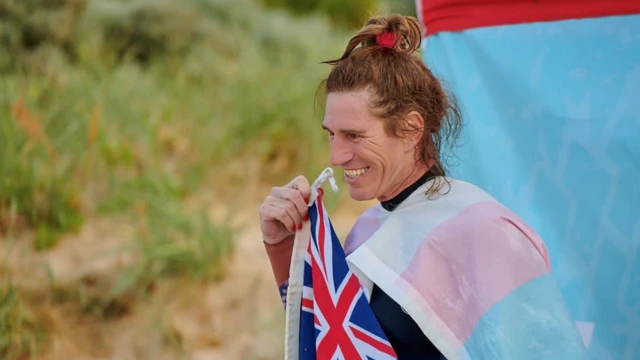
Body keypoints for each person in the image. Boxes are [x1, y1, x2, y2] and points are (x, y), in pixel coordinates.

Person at [259, 14, 586, 359]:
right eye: (331, 134)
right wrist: (282, 244)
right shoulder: (368, 231)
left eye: (354, 135)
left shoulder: (488, 233)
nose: (336, 156)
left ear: (412, 129)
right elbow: (334, 342)